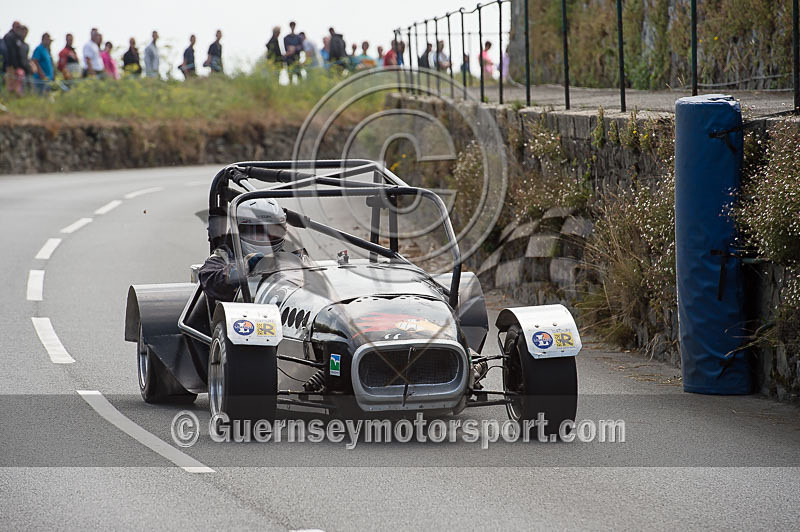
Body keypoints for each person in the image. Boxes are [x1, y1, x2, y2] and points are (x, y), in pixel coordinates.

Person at [199, 199, 288, 307]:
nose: (267, 239)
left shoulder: (288, 258)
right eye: (259, 232)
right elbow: (209, 279)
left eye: (274, 232)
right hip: (240, 318)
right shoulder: (224, 255)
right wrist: (241, 269)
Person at [3, 22, 24, 94]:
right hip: (11, 66)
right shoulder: (9, 37)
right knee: (11, 85)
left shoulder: (18, 38)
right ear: (13, 27)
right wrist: (13, 65)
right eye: (17, 27)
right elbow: (10, 52)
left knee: (17, 84)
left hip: (16, 66)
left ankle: (15, 98)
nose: (19, 29)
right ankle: (10, 98)